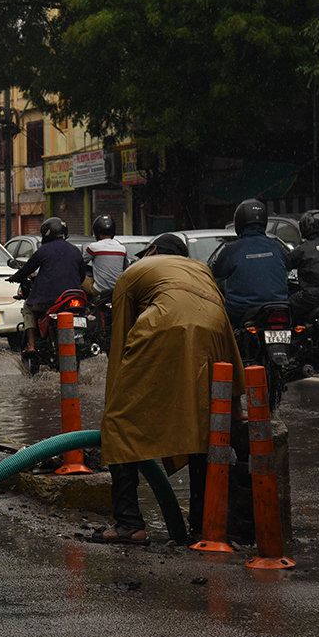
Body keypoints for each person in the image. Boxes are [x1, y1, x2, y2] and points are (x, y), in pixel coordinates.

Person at [95, 233, 245, 545]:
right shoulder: (201, 270)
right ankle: (204, 528)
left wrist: (116, 400)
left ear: (151, 251)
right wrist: (234, 399)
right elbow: (224, 325)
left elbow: (120, 338)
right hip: (213, 331)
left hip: (162, 324)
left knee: (120, 424)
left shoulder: (134, 272)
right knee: (204, 425)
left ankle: (128, 524)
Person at [7, 217, 85, 353]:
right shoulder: (75, 250)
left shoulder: (44, 250)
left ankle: (31, 345)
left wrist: (15, 277)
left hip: (49, 299)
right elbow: (82, 275)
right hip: (73, 296)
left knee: (28, 308)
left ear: (47, 233)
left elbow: (28, 268)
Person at [211, 198, 290, 326]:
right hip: (278, 307)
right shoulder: (276, 246)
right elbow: (287, 269)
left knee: (220, 326)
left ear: (239, 221)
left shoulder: (232, 250)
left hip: (242, 311)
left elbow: (213, 277)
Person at [83, 214, 127, 297]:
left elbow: (81, 263)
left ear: (96, 232)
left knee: (81, 279)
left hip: (99, 290)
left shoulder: (93, 247)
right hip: (117, 290)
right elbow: (126, 268)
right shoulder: (122, 249)